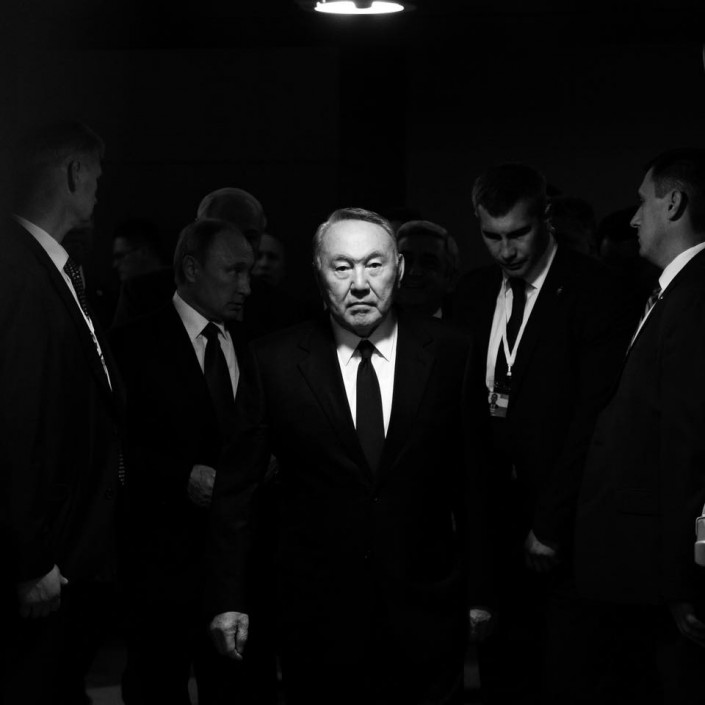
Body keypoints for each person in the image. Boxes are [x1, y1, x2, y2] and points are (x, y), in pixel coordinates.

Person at [206, 207, 491, 705]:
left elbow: (476, 482)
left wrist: (483, 591)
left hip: (426, 608)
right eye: (342, 267)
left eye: (374, 265)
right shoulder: (274, 361)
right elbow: (238, 489)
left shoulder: (452, 351)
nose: (359, 284)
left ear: (399, 268)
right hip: (316, 614)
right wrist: (229, 599)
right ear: (319, 273)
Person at [451, 163, 637, 704]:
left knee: (567, 674)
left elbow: (594, 416)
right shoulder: (472, 292)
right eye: (492, 236)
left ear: (545, 217)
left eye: (519, 233)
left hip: (566, 520)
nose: (506, 250)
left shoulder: (596, 288)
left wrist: (552, 522)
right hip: (492, 521)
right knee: (501, 674)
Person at [110, 218, 275, 704]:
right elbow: (111, 448)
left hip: (242, 570)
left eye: (249, 272)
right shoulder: (131, 345)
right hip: (161, 567)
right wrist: (179, 476)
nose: (246, 286)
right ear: (190, 269)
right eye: (233, 271)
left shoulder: (260, 342)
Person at [0, 120, 124, 704]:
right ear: (74, 173)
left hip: (72, 556)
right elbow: (14, 421)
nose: (99, 187)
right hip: (43, 563)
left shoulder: (51, 266)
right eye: (96, 174)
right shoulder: (18, 271)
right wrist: (31, 559)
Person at [575, 149, 705, 704]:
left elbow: (690, 443)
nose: (633, 219)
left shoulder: (696, 297)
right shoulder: (676, 290)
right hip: (640, 565)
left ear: (673, 203)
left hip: (660, 574)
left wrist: (684, 579)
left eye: (642, 202)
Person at [396, 219, 460, 317]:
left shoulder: (464, 325)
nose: (414, 272)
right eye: (406, 261)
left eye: (428, 263)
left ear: (451, 278)